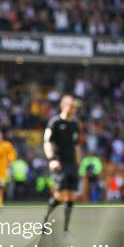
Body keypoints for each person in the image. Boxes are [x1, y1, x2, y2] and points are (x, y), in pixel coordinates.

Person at [43, 95, 81, 234]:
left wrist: (78, 164)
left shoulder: (75, 124)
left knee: (71, 196)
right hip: (59, 162)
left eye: (75, 107)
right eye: (71, 106)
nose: (74, 109)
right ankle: (45, 221)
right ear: (63, 106)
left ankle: (66, 228)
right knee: (60, 195)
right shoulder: (55, 122)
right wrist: (52, 159)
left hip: (72, 164)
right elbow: (47, 142)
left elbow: (76, 146)